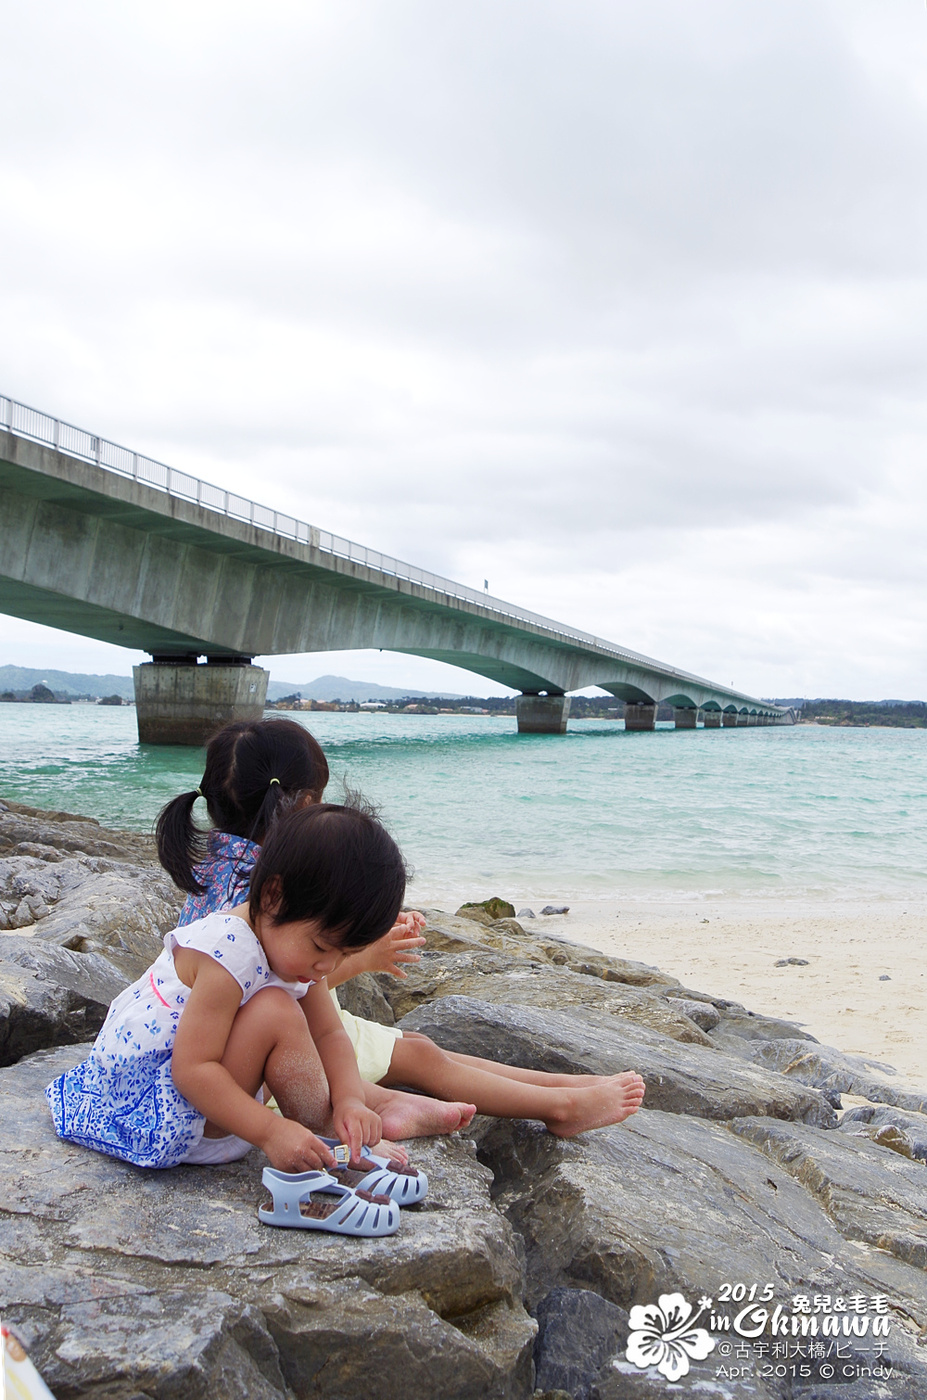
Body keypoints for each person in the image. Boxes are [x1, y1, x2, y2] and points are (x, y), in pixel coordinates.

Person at [157, 718, 646, 1139]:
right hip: (255, 1058)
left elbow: (289, 968)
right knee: (424, 1059)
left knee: (419, 1048)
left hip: (263, 1035)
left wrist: (359, 932)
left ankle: (563, 1088)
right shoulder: (257, 890)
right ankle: (557, 1107)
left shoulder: (226, 865)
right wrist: (365, 956)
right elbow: (282, 985)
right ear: (303, 802)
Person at [46, 803, 412, 1172]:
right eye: (320, 947)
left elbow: (330, 1033)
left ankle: (340, 1127)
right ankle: (329, 1139)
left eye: (344, 955)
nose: (327, 967)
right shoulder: (229, 952)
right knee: (277, 1011)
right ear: (272, 896)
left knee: (294, 1025)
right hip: (172, 1115)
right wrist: (271, 1131)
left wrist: (350, 1099)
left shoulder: (289, 945)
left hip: (209, 1101)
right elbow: (191, 1070)